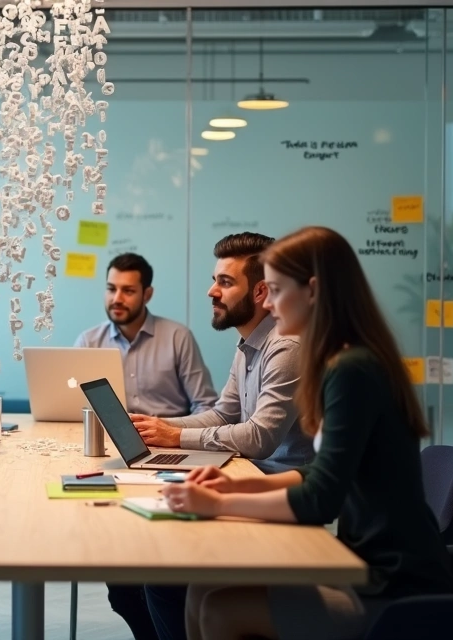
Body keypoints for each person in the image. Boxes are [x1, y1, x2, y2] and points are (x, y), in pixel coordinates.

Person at [161, 226, 453, 640]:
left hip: (392, 586)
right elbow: (319, 472)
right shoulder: (342, 360)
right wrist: (231, 489)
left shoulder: (352, 370)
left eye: (277, 290)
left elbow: (320, 501)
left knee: (221, 611)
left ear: (312, 290)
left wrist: (214, 505)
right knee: (202, 589)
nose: (272, 305)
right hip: (363, 562)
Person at [110, 233, 316, 640]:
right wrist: (160, 430)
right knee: (144, 576)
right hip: (250, 481)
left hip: (276, 496)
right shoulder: (249, 344)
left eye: (224, 282)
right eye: (214, 279)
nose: (212, 290)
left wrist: (175, 438)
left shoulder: (285, 347)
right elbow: (224, 413)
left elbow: (260, 437)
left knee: (161, 580)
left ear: (259, 292)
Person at [75, 252, 217, 418]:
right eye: (111, 289)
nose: (117, 299)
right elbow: (74, 405)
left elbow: (205, 405)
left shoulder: (178, 338)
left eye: (128, 291)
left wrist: (175, 433)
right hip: (107, 438)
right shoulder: (88, 341)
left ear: (147, 295)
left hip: (168, 437)